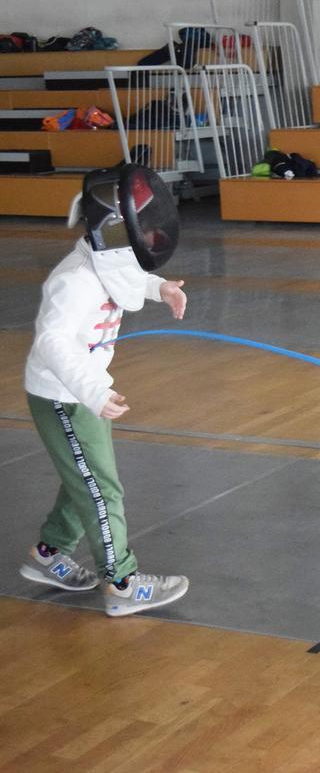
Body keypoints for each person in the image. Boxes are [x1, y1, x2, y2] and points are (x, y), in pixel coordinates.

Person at [20, 166, 190, 617]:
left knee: (86, 478)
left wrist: (160, 287)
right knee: (102, 488)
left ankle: (48, 554)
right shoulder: (73, 280)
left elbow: (128, 277)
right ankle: (121, 582)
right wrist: (94, 391)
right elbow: (52, 342)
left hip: (83, 392)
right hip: (64, 397)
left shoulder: (109, 259)